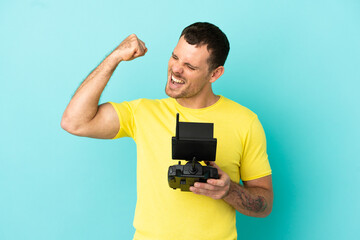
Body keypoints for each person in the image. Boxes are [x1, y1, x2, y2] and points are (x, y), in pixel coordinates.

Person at [61, 22, 273, 240]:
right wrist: (114, 57)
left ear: (215, 74)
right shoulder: (143, 112)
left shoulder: (245, 121)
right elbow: (74, 122)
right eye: (175, 57)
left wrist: (228, 191)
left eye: (190, 66)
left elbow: (264, 204)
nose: (176, 69)